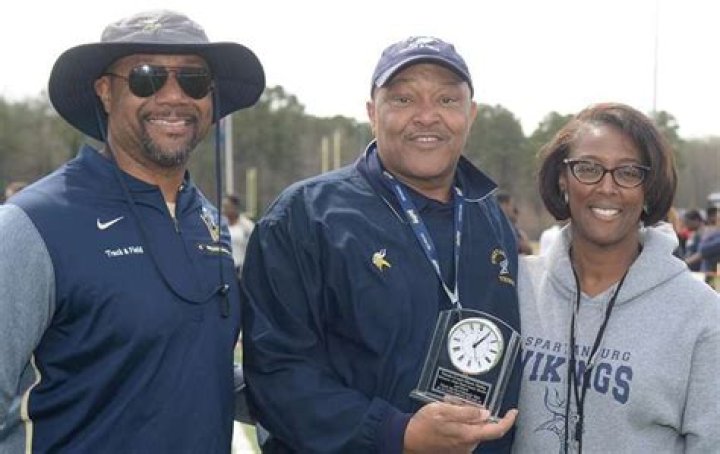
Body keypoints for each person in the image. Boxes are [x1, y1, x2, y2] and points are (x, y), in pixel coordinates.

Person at [0, 10, 264, 452]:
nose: (174, 96)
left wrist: (320, 395)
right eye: (147, 77)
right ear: (105, 92)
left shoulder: (207, 222)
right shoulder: (33, 226)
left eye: (194, 79)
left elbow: (192, 370)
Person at [241, 36, 520, 453]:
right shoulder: (305, 217)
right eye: (404, 99)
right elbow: (276, 372)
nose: (427, 116)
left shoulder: (491, 219)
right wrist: (396, 434)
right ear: (373, 112)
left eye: (446, 100)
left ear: (471, 114)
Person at [513, 103, 720, 453]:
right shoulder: (516, 287)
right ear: (563, 179)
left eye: (628, 172)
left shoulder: (702, 316)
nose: (607, 187)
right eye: (588, 168)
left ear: (648, 187)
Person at [222, 193, 255, 277]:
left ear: (235, 207)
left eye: (227, 207)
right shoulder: (221, 225)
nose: (224, 210)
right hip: (225, 269)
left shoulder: (247, 225)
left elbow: (254, 246)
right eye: (223, 207)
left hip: (241, 269)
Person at [496, 190, 533, 255]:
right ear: (504, 205)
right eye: (511, 205)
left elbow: (528, 251)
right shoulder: (496, 229)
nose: (514, 209)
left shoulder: (516, 231)